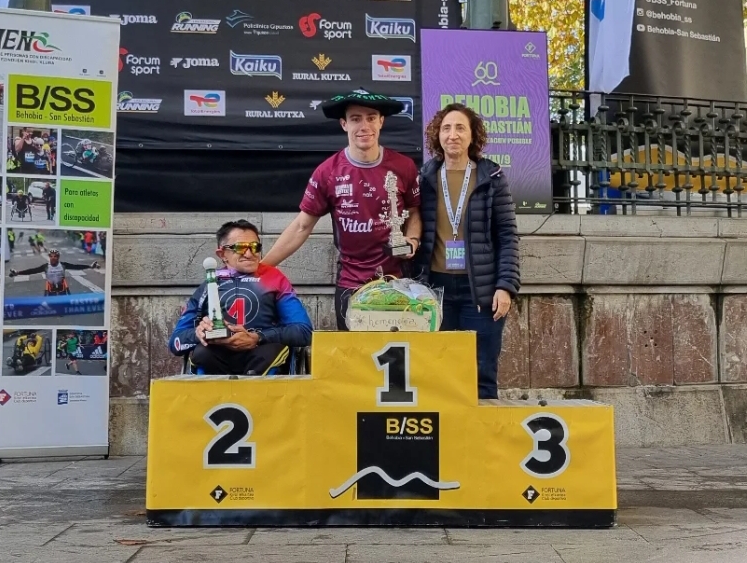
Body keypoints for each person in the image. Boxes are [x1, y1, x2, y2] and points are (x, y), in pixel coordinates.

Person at [263, 90, 422, 329]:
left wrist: (412, 240)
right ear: (344, 124)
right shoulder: (327, 172)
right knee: (354, 361)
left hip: (397, 282)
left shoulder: (404, 166)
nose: (364, 126)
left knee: (396, 359)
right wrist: (262, 268)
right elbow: (301, 226)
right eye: (356, 118)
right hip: (351, 283)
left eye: (371, 117)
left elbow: (414, 212)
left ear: (381, 121)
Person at [413, 104, 520, 400]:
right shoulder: (425, 178)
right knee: (437, 372)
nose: (453, 135)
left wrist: (505, 287)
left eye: (461, 128)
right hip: (436, 290)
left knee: (482, 371)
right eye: (446, 128)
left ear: (473, 136)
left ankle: (483, 443)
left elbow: (508, 236)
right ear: (438, 135)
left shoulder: (492, 178)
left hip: (481, 292)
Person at [170, 220, 313, 376]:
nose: (249, 253)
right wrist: (198, 334)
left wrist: (257, 337)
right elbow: (175, 342)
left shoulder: (275, 279)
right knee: (202, 353)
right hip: (216, 359)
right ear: (222, 254)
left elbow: (305, 332)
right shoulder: (208, 285)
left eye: (255, 247)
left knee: (271, 353)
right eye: (240, 248)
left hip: (262, 355)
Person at [9, 249, 98, 295]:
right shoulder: (46, 266)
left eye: (55, 256)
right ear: (49, 257)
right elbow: (32, 271)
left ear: (58, 257)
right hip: (50, 287)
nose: (53, 258)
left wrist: (90, 266)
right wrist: (17, 273)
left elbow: (76, 266)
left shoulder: (63, 265)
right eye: (51, 256)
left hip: (61, 286)